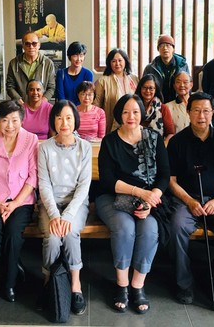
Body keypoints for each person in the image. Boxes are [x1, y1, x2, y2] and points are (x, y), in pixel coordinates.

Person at [166, 92, 214, 306]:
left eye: (206, 111)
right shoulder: (177, 142)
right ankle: (184, 283)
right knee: (176, 228)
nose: (201, 115)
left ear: (213, 113)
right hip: (186, 199)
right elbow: (170, 180)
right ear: (188, 112)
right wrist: (189, 201)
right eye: (196, 110)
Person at [95, 94, 170, 314]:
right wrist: (140, 192)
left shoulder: (154, 138)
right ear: (119, 114)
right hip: (112, 197)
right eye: (126, 112)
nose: (131, 116)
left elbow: (164, 175)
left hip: (147, 199)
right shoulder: (110, 141)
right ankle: (122, 285)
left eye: (136, 111)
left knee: (149, 229)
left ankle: (137, 285)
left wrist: (151, 197)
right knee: (125, 228)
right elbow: (107, 180)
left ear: (142, 113)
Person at [0, 100, 38, 303]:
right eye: (5, 120)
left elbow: (33, 176)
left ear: (21, 120)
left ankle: (9, 283)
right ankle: (15, 265)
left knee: (12, 232)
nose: (9, 126)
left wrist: (14, 203)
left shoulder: (31, 140)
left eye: (14, 120)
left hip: (22, 200)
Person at [38, 100, 92, 315]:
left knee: (69, 233)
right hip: (50, 204)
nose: (64, 122)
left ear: (75, 120)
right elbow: (44, 184)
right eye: (59, 117)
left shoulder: (84, 147)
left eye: (69, 117)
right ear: (53, 120)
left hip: (76, 204)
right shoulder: (44, 147)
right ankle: (49, 282)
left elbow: (84, 185)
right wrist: (54, 215)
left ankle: (75, 285)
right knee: (51, 236)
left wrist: (67, 215)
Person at [94, 48, 139, 134]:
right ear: (109, 63)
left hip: (132, 123)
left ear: (125, 61)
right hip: (111, 125)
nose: (117, 64)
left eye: (120, 60)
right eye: (114, 61)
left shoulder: (134, 79)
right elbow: (96, 106)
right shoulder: (103, 81)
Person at [6, 31, 56, 103]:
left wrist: (42, 102)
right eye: (27, 44)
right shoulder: (14, 63)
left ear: (39, 45)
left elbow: (51, 87)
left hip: (41, 107)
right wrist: (18, 100)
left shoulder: (48, 63)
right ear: (23, 46)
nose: (31, 47)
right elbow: (10, 86)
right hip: (20, 107)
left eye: (34, 44)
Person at [142, 34, 189, 103]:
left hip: (177, 103)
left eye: (168, 45)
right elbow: (144, 87)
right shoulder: (150, 68)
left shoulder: (182, 65)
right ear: (158, 49)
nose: (165, 48)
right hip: (157, 104)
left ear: (173, 49)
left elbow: (188, 85)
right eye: (161, 46)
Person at [135, 74, 176, 144]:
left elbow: (171, 133)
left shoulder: (163, 108)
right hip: (134, 148)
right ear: (140, 88)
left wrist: (163, 146)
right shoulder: (134, 107)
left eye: (151, 88)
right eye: (145, 87)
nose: (147, 91)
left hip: (157, 148)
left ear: (155, 89)